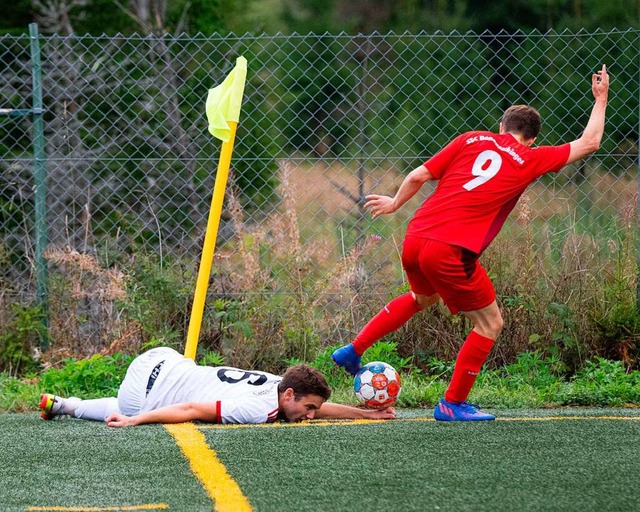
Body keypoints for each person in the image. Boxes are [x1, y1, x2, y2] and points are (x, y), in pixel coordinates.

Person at [332, 65, 610, 421]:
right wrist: (600, 99)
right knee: (491, 324)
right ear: (532, 139)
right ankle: (452, 402)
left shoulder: (471, 139)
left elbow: (418, 175)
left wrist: (394, 204)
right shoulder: (530, 157)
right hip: (451, 249)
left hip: (416, 237)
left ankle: (353, 350)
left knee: (422, 297)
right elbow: (590, 143)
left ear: (501, 128)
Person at [39, 346, 395, 427]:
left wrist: (366, 414)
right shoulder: (259, 409)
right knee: (130, 408)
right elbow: (192, 410)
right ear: (289, 395)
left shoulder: (279, 384)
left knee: (123, 400)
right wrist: (136, 420)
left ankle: (65, 405)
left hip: (161, 357)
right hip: (143, 390)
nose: (312, 415)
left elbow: (315, 405)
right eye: (309, 409)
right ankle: (128, 411)